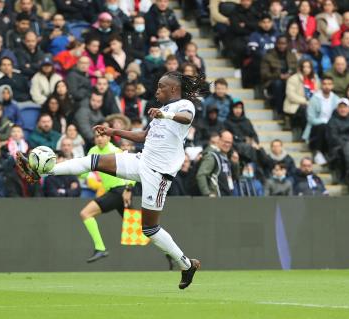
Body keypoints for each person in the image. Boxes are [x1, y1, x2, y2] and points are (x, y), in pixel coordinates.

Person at [16, 71, 203, 289]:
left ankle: (186, 264)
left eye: (161, 86)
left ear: (173, 89)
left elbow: (186, 119)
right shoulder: (161, 111)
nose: (157, 90)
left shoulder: (185, 106)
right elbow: (143, 136)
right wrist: (112, 131)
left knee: (149, 229)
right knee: (92, 161)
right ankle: (40, 172)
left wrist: (166, 116)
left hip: (158, 174)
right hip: (141, 160)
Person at [76, 130, 136, 262]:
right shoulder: (92, 151)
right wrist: (75, 171)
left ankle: (100, 249)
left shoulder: (116, 152)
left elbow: (133, 170)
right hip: (115, 192)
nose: (99, 139)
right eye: (97, 136)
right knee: (141, 230)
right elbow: (85, 173)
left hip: (120, 191)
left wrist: (128, 189)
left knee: (86, 213)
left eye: (102, 136)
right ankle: (169, 252)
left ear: (109, 137)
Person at [304, 75, 339, 164]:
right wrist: (324, 122)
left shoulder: (336, 99)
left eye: (329, 84)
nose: (327, 86)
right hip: (316, 128)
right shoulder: (315, 99)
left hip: (331, 127)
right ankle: (317, 152)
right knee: (323, 127)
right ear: (321, 85)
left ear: (332, 86)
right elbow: (311, 119)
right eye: (324, 84)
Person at [261, 36, 298, 119]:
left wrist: (290, 76)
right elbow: (264, 74)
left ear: (287, 44)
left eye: (284, 44)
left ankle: (292, 113)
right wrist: (279, 76)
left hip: (289, 80)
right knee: (279, 84)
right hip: (272, 82)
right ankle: (280, 111)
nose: (282, 46)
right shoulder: (268, 56)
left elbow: (296, 70)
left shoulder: (292, 56)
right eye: (280, 43)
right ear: (276, 44)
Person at [283, 59, 320, 138]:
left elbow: (318, 93)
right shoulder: (293, 78)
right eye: (304, 67)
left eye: (308, 67)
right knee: (305, 109)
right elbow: (291, 96)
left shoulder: (315, 78)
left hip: (311, 104)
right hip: (295, 106)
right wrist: (306, 101)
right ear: (300, 68)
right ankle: (305, 135)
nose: (306, 69)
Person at [196, 130, 238, 197]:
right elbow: (201, 175)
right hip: (217, 200)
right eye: (225, 141)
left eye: (230, 142)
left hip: (228, 198)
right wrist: (207, 193)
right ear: (219, 140)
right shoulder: (212, 156)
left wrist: (235, 163)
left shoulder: (226, 157)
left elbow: (236, 177)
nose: (227, 144)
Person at [326, 98, 349, 179]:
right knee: (346, 148)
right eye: (341, 107)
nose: (343, 109)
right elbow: (333, 138)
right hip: (337, 148)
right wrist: (346, 143)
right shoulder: (332, 121)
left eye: (345, 107)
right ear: (337, 109)